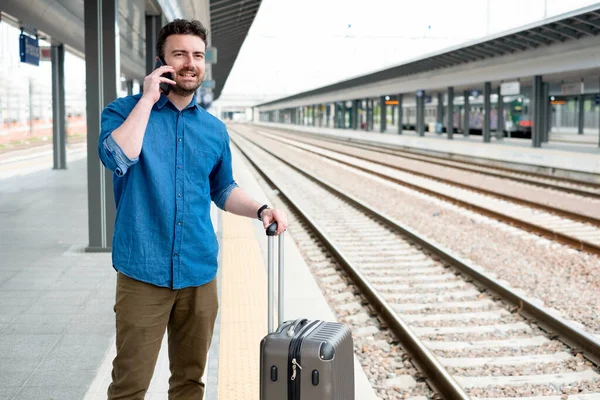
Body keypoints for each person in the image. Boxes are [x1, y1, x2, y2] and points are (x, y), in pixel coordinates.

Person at [98, 18, 288, 399]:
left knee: (189, 382)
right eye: (180, 54)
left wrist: (260, 208)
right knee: (129, 384)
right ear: (161, 62)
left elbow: (223, 188)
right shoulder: (123, 112)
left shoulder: (214, 130)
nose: (190, 63)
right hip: (143, 272)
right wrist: (149, 99)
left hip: (199, 272)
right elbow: (119, 155)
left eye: (197, 55)